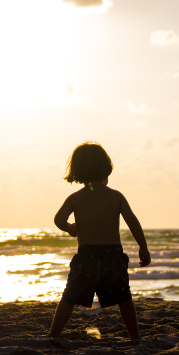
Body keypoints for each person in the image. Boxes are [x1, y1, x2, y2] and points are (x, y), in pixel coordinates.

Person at [48, 142, 151, 340]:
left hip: (86, 256)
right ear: (105, 167)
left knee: (69, 297)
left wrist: (70, 228)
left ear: (77, 170)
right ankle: (135, 336)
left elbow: (59, 220)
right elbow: (133, 222)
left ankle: (53, 334)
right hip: (112, 256)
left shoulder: (75, 198)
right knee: (124, 298)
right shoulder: (116, 196)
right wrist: (143, 246)